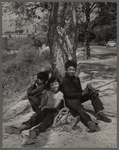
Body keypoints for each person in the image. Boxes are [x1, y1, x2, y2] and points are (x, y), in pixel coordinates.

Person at [61, 60, 111, 132]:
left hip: (78, 97)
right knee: (80, 109)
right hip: (70, 100)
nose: (72, 71)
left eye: (73, 69)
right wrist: (81, 94)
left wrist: (87, 89)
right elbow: (68, 94)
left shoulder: (77, 79)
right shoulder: (64, 80)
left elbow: (80, 91)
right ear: (66, 70)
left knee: (92, 93)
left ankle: (100, 113)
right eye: (70, 69)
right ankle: (90, 123)